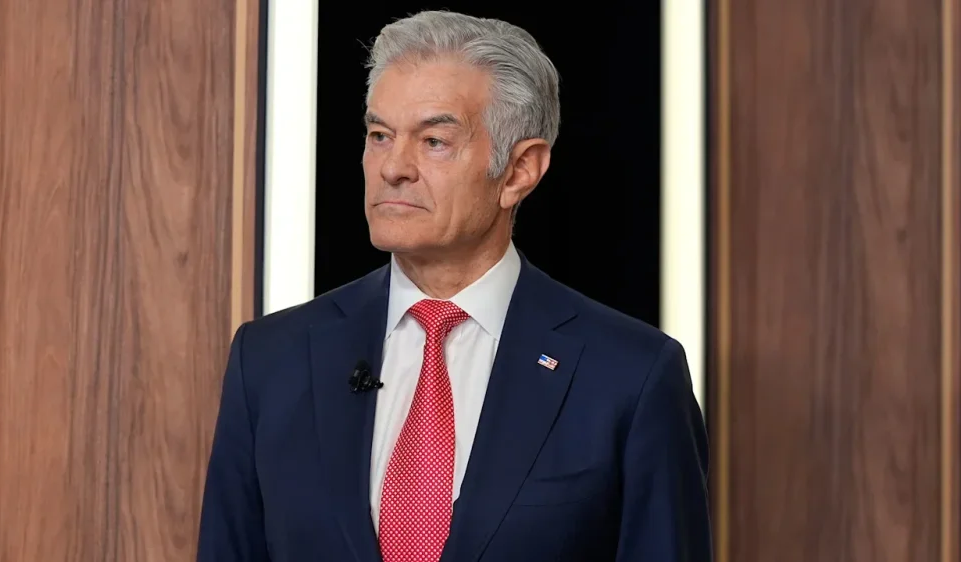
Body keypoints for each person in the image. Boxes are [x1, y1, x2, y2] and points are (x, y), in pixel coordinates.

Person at [197, 10, 711, 562]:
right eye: (379, 135)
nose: (393, 167)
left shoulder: (631, 376)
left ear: (519, 171)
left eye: (434, 141)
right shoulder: (270, 361)